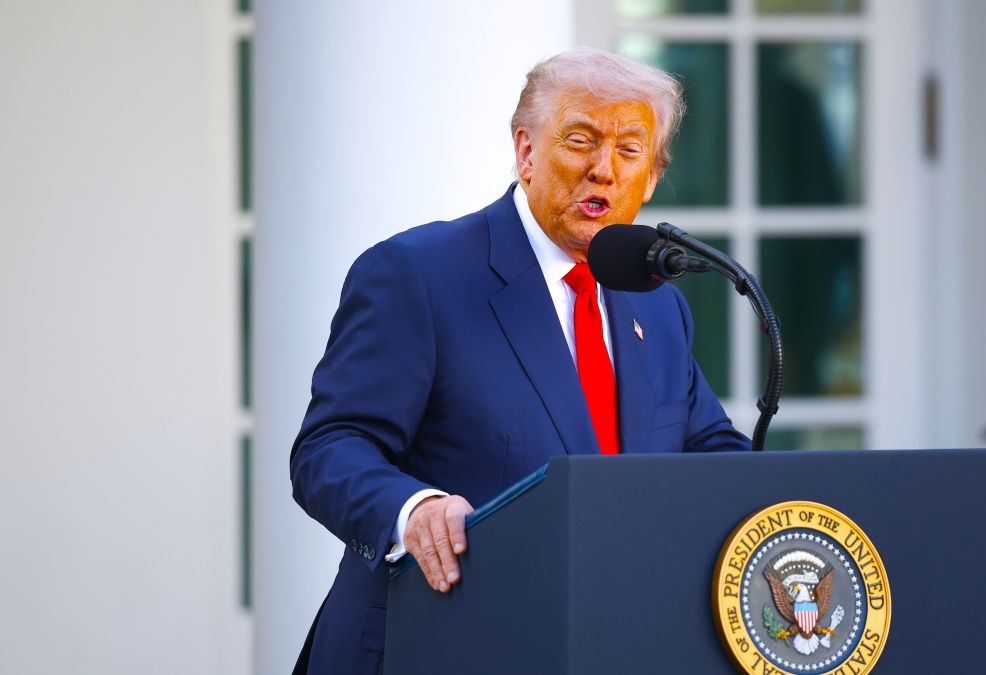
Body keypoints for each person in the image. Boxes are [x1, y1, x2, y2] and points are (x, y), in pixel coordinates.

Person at [289, 48, 750, 674]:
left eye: (629, 151)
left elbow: (709, 450)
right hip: (435, 643)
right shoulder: (419, 274)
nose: (603, 171)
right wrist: (413, 509)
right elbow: (330, 448)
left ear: (653, 176)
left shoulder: (658, 308)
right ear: (526, 151)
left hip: (601, 645)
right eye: (580, 140)